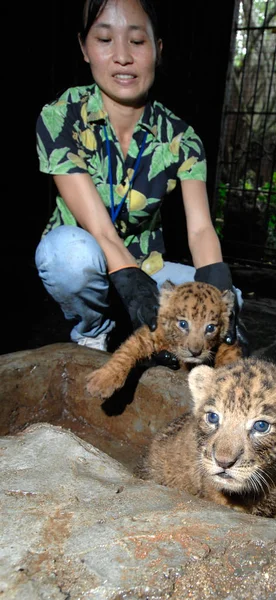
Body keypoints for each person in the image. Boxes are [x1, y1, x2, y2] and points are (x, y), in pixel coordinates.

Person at [35, 0, 248, 362]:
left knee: (234, 301)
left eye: (136, 41)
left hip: (147, 262)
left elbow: (199, 231)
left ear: (157, 50)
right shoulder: (60, 117)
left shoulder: (182, 137)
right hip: (89, 254)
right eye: (104, 39)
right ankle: (93, 331)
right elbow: (100, 231)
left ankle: (151, 332)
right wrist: (135, 290)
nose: (122, 56)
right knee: (68, 256)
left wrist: (218, 294)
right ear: (84, 49)